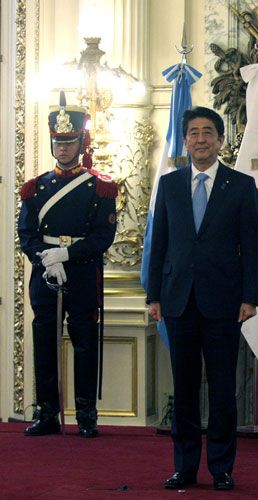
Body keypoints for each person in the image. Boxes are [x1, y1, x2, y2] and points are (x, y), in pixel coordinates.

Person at [146, 106, 258, 491]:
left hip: (224, 302)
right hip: (177, 301)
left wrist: (250, 296)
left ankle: (222, 467)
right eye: (193, 132)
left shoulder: (241, 185)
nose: (200, 139)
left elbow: (251, 244)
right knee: (185, 388)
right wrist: (154, 296)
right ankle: (185, 467)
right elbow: (158, 242)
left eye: (208, 132)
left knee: (224, 389)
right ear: (185, 140)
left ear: (221, 140)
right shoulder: (170, 183)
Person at [18, 91, 118, 438]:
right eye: (58, 143)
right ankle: (47, 412)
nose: (63, 149)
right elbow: (26, 232)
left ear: (81, 142)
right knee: (44, 340)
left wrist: (68, 255)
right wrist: (45, 259)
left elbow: (103, 236)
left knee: (85, 341)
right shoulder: (36, 188)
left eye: (70, 142)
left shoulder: (99, 187)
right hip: (45, 272)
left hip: (81, 272)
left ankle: (86, 414)